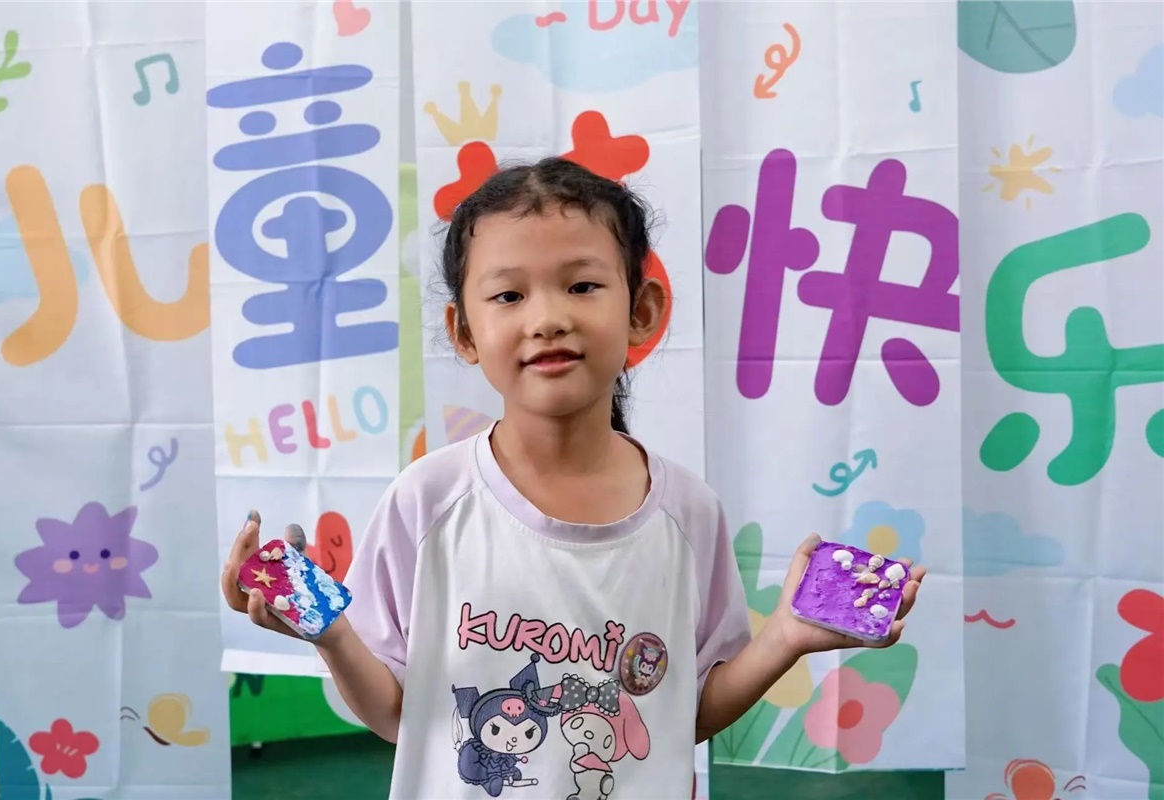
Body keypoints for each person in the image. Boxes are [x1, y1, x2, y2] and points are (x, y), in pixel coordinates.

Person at [221, 157, 926, 798]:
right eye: (508, 296)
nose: (548, 318)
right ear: (463, 332)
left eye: (582, 285)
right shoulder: (426, 502)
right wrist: (330, 634)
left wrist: (787, 638)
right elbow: (397, 715)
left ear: (641, 311)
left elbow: (680, 713)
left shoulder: (688, 512)